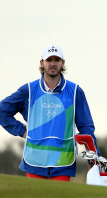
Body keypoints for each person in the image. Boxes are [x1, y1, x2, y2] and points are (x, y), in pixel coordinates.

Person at [0, 45, 99, 181]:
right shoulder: (29, 90)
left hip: (63, 162)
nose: (53, 63)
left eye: (57, 59)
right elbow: (2, 110)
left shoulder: (75, 91)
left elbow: (86, 127)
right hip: (34, 160)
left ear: (62, 63)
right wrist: (22, 131)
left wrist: (93, 158)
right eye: (49, 60)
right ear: (42, 63)